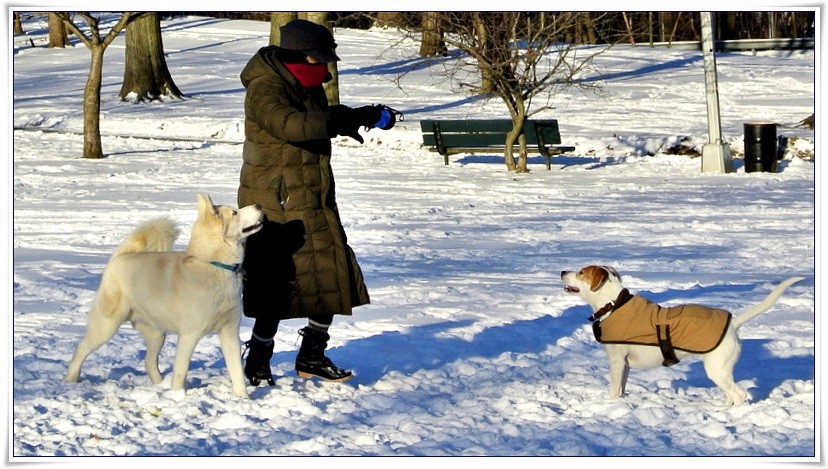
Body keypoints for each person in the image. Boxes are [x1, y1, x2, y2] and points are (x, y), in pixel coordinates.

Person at [237, 19, 390, 384]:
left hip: (313, 195)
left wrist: (358, 115)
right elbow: (291, 125)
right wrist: (343, 120)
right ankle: (257, 359)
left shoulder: (304, 85)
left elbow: (317, 118)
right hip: (276, 204)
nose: (325, 70)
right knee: (277, 283)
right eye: (320, 61)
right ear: (300, 56)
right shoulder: (265, 88)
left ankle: (312, 356)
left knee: (331, 274)